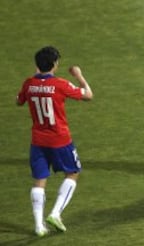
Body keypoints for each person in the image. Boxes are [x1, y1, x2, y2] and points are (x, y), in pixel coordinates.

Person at [16, 46, 93, 236]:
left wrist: (35, 79)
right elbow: (88, 95)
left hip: (38, 141)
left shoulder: (29, 84)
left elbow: (18, 101)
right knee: (73, 173)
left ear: (37, 65)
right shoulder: (60, 84)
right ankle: (56, 213)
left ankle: (38, 226)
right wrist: (79, 76)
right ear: (55, 64)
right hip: (60, 140)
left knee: (39, 181)